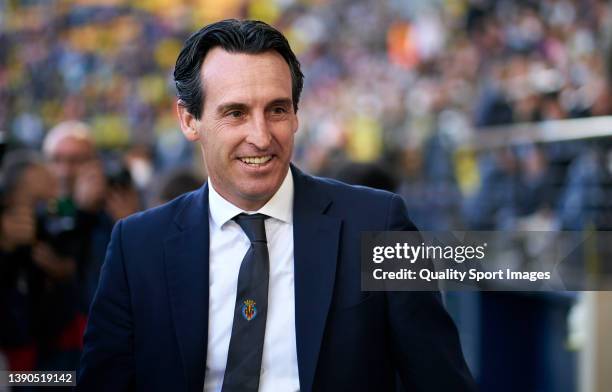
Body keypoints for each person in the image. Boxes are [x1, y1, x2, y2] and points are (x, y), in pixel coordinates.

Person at [78, 19, 476, 391]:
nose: (261, 136)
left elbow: (440, 379)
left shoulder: (379, 224)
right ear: (188, 120)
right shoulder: (138, 245)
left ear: (297, 114)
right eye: (236, 113)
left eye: (277, 110)